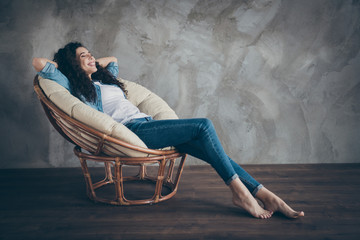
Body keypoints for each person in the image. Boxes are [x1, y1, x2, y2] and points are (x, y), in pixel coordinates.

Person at [32, 42, 305, 219]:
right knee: (203, 125)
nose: (92, 57)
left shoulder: (104, 80)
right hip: (133, 131)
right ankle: (241, 192)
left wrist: (89, 61)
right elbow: (40, 64)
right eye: (84, 56)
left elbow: (112, 59)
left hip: (149, 124)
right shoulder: (76, 87)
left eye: (90, 53)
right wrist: (73, 66)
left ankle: (265, 194)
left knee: (210, 150)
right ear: (71, 64)